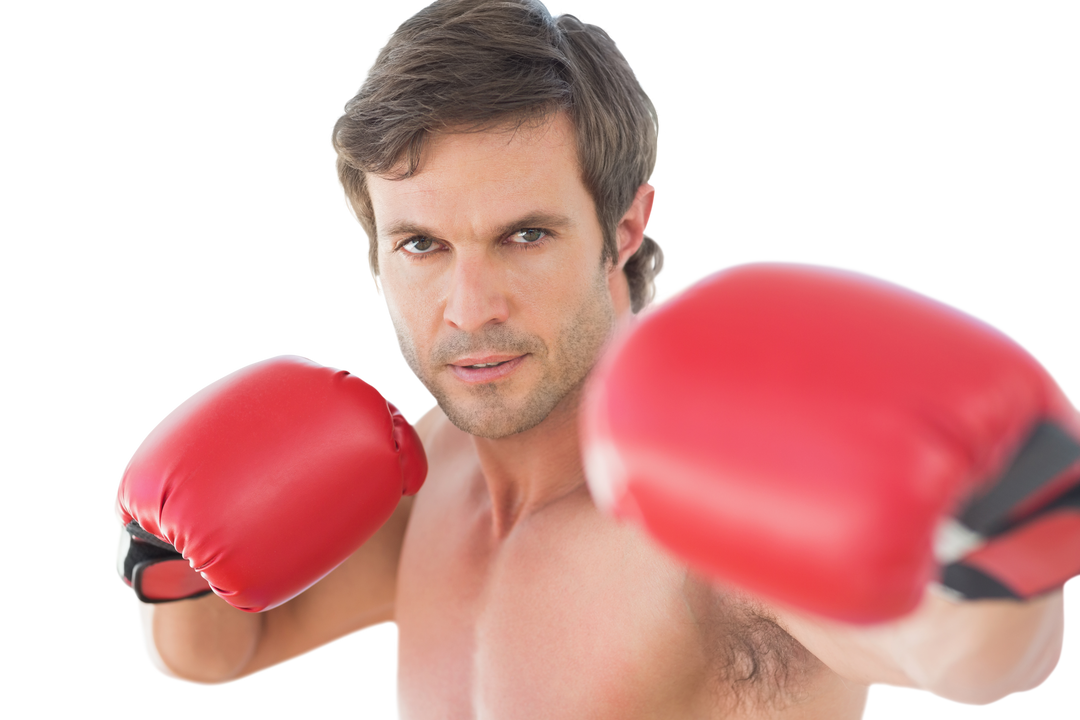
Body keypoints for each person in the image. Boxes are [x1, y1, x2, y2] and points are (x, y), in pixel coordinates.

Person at [113, 1, 1075, 717]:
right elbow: (222, 649)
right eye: (423, 245)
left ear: (625, 227)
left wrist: (1012, 524)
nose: (471, 307)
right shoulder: (426, 469)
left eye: (525, 236)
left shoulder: (707, 501)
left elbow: (977, 666)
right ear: (370, 254)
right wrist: (164, 554)